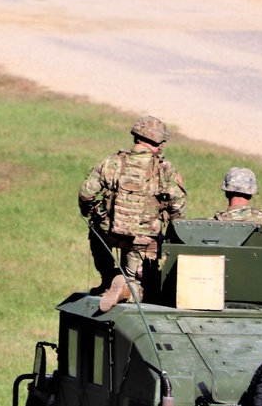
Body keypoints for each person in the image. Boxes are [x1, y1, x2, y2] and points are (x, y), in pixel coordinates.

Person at [79, 116, 187, 309]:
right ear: (158, 142)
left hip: (108, 235)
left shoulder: (113, 162)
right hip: (143, 241)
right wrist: (174, 233)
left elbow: (86, 194)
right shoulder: (164, 169)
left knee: (95, 229)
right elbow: (177, 206)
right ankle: (128, 288)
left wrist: (91, 213)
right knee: (142, 284)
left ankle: (107, 280)